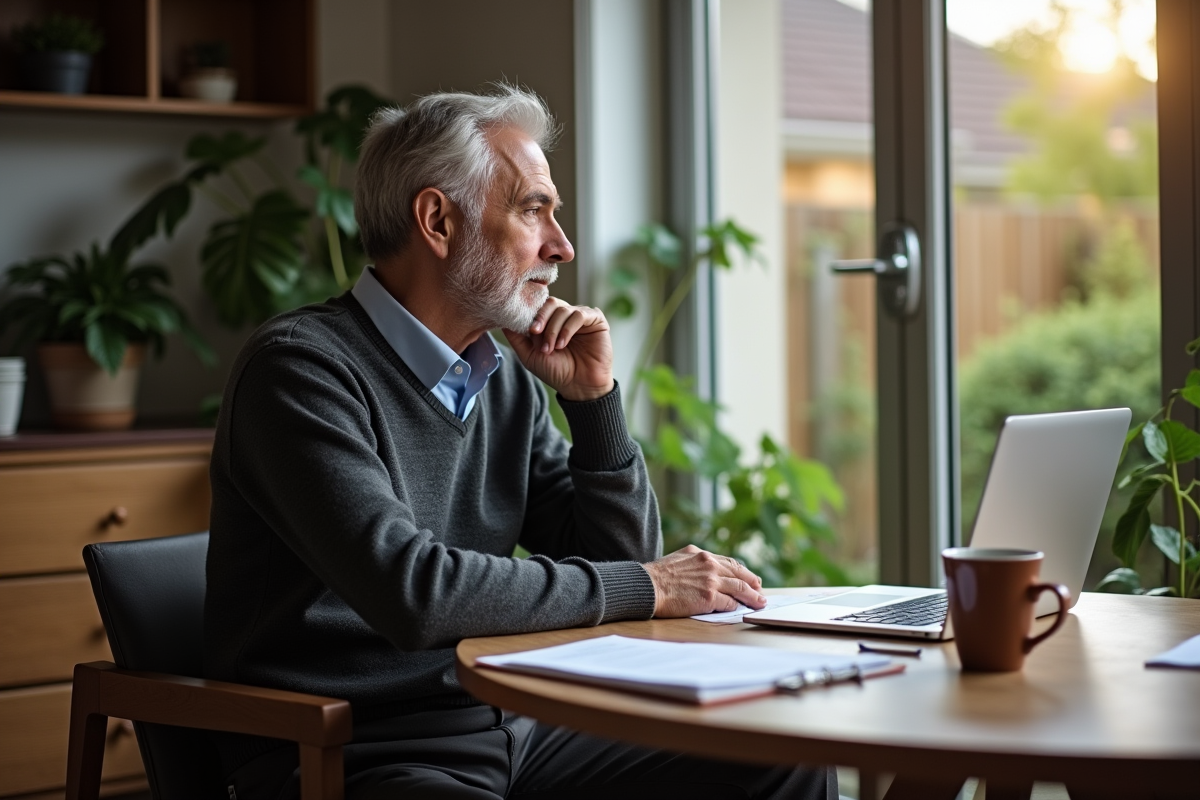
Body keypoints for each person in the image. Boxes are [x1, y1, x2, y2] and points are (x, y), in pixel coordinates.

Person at [205, 85, 834, 800]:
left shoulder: (499, 381)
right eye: (534, 209)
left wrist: (592, 403)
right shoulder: (300, 370)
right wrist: (653, 586)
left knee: (782, 757)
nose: (561, 246)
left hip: (513, 723)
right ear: (438, 221)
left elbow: (618, 562)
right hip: (355, 749)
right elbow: (415, 593)